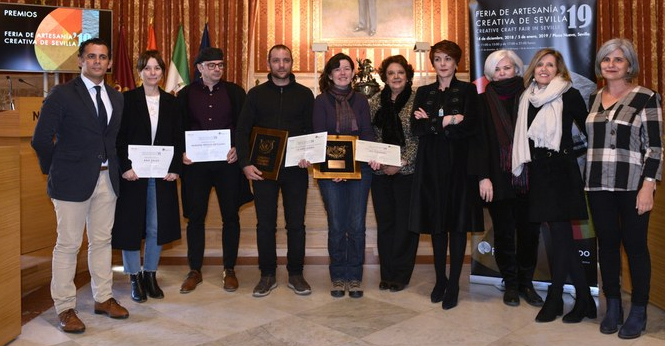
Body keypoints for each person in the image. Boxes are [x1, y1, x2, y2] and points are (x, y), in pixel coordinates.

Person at [31, 38, 129, 333]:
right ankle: (65, 307)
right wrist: (56, 171)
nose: (97, 61)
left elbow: (111, 139)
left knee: (102, 242)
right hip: (70, 181)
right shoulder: (61, 94)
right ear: (80, 60)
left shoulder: (117, 96)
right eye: (91, 56)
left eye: (102, 57)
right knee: (68, 245)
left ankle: (103, 298)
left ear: (110, 63)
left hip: (106, 180)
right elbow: (40, 139)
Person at [585, 39, 663, 339]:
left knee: (635, 247)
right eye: (606, 59)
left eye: (619, 59)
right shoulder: (592, 98)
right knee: (606, 245)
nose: (612, 64)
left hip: (632, 186)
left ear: (629, 65)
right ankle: (614, 305)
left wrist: (648, 186)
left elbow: (655, 147)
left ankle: (639, 311)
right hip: (597, 185)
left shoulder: (646, 97)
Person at [511, 48, 594, 323]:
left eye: (551, 65)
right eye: (540, 65)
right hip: (538, 172)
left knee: (560, 237)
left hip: (562, 171)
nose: (544, 69)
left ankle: (556, 297)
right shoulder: (526, 98)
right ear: (533, 69)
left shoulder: (568, 94)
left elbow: (589, 128)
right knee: (562, 239)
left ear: (559, 71)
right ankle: (583, 299)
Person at [409, 40, 484, 310]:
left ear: (456, 62)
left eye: (448, 59)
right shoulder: (423, 91)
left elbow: (472, 127)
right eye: (438, 58)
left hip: (459, 166)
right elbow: (415, 128)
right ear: (433, 62)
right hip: (430, 165)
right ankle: (440, 280)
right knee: (437, 225)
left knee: (457, 224)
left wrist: (433, 124)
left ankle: (454, 284)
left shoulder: (468, 89)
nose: (443, 64)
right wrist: (450, 120)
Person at [236, 44, 314, 297]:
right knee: (265, 225)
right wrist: (246, 164)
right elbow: (242, 131)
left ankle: (296, 274)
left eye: (286, 60)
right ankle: (267, 274)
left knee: (296, 224)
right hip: (263, 171)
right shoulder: (255, 94)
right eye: (276, 60)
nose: (281, 65)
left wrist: (309, 156)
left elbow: (312, 131)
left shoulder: (305, 94)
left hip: (295, 170)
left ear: (292, 63)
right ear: (268, 63)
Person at [177, 47, 252, 294]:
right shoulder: (185, 94)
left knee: (231, 216)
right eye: (211, 65)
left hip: (227, 166)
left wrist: (238, 149)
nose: (217, 69)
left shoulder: (235, 92)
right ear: (199, 68)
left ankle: (229, 269)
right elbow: (176, 128)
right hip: (195, 167)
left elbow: (245, 126)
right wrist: (181, 154)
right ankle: (194, 270)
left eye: (220, 64)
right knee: (195, 217)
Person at [472, 50, 543, 307]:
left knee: (529, 234)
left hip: (529, 177)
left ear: (516, 69)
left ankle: (526, 283)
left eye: (507, 68)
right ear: (491, 74)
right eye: (497, 69)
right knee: (504, 235)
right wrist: (483, 177)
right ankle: (510, 284)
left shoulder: (532, 98)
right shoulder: (480, 102)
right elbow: (478, 144)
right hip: (497, 179)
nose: (502, 73)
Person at [112, 50, 183, 303]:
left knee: (156, 226)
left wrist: (175, 167)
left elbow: (177, 138)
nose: (153, 73)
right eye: (147, 68)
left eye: (157, 68)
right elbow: (118, 139)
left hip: (162, 176)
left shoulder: (172, 102)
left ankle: (150, 274)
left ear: (163, 72)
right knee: (131, 225)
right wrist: (125, 167)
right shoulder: (126, 100)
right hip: (133, 175)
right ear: (139, 72)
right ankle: (133, 276)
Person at [314, 53, 375, 298]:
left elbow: (368, 132)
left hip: (360, 170)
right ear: (329, 74)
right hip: (330, 173)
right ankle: (338, 276)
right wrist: (334, 169)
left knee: (357, 225)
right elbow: (319, 136)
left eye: (347, 68)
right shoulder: (320, 101)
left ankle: (355, 276)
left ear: (353, 73)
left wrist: (369, 155)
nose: (343, 72)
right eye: (337, 69)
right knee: (337, 225)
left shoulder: (361, 100)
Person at [368, 55, 419, 292]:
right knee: (386, 223)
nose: (396, 77)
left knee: (405, 225)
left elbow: (420, 137)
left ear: (407, 75)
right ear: (384, 77)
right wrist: (376, 160)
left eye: (400, 72)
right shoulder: (375, 102)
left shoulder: (418, 99)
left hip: (407, 172)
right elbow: (371, 138)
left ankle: (400, 274)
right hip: (380, 175)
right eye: (391, 73)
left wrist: (402, 161)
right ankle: (386, 273)